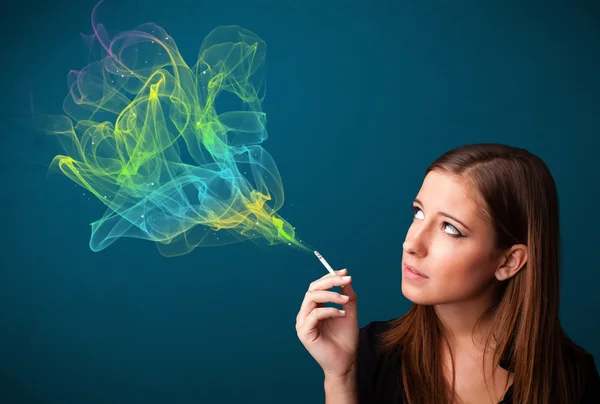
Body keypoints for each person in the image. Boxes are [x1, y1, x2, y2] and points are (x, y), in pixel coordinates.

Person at [296, 143, 600, 404]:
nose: (411, 243)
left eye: (450, 228)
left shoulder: (571, 377)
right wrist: (340, 376)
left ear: (508, 262)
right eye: (418, 212)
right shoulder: (372, 355)